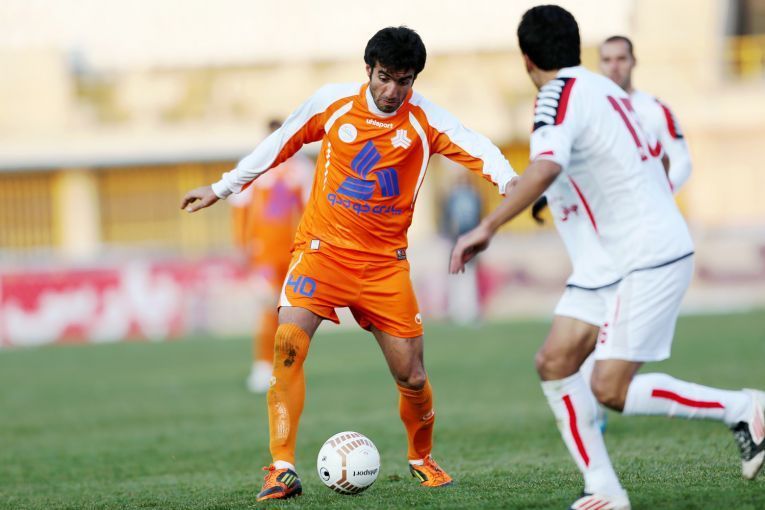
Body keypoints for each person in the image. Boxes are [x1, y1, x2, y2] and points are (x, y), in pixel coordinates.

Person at [181, 26, 517, 501]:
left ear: (414, 79)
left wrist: (511, 181)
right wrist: (223, 187)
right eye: (384, 77)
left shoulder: (425, 120)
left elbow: (480, 147)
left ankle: (421, 458)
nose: (392, 91)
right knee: (288, 344)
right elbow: (281, 141)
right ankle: (281, 467)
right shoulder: (332, 103)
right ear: (368, 70)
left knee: (412, 376)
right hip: (322, 252)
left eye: (403, 80)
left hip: (384, 265)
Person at [450, 6, 765, 510]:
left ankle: (744, 408)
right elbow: (613, 162)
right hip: (611, 261)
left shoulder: (556, 95)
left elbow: (548, 163)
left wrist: (487, 226)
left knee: (609, 388)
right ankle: (604, 490)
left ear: (526, 58)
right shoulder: (604, 89)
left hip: (645, 256)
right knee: (555, 362)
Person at [532, 34, 697, 433]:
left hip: (644, 235)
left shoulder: (652, 109)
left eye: (621, 58)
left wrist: (655, 197)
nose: (614, 66)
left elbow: (680, 160)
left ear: (633, 61)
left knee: (605, 338)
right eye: (606, 59)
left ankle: (604, 399)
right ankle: (595, 412)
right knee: (588, 321)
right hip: (602, 235)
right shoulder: (594, 100)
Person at [229, 119, 313, 393]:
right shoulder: (253, 165)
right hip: (264, 253)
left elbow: (312, 210)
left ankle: (287, 367)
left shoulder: (303, 169)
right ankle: (263, 366)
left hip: (295, 251)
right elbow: (240, 209)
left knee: (292, 311)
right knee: (267, 307)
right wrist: (241, 245)